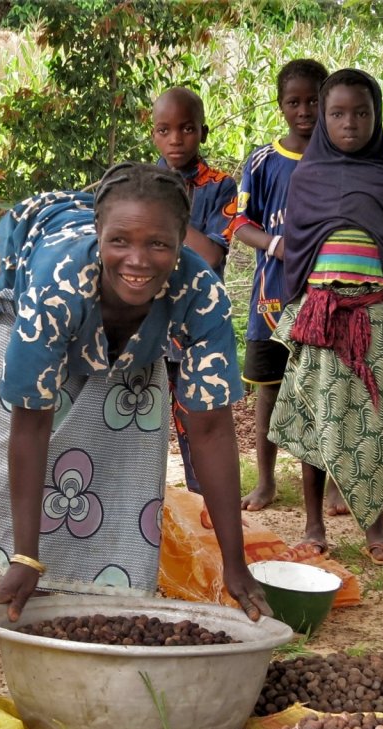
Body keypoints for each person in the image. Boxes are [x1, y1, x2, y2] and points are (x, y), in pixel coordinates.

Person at [0, 163, 271, 622]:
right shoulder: (56, 286)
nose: (138, 260)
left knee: (127, 431)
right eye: (120, 241)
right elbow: (31, 423)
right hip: (16, 276)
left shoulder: (200, 293)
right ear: (98, 233)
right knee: (10, 427)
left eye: (159, 244)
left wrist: (235, 563)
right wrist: (26, 555)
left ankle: (108, 579)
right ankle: (8, 563)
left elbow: (210, 429)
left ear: (181, 241)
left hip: (123, 321)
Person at [269, 69, 383, 566]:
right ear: (324, 120)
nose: (349, 123)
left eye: (361, 113)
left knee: (375, 421)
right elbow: (301, 250)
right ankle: (313, 527)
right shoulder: (307, 177)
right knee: (316, 417)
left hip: (371, 317)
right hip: (322, 317)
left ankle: (376, 528)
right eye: (337, 114)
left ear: (376, 116)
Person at [231, 59, 345, 517]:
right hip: (272, 300)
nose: (305, 110)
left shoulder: (342, 158)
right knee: (270, 392)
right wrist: (274, 244)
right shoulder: (262, 160)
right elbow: (239, 221)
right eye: (293, 102)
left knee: (326, 391)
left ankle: (334, 486)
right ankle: (265, 482)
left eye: (314, 101)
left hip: (326, 298)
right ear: (280, 106)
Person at [150, 86, 237, 495]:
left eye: (186, 129)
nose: (176, 139)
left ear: (202, 131)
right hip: (147, 324)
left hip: (199, 327)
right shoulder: (140, 182)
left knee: (201, 423)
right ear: (154, 135)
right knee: (139, 423)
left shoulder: (220, 187)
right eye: (164, 130)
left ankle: (208, 510)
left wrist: (167, 211)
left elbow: (211, 255)